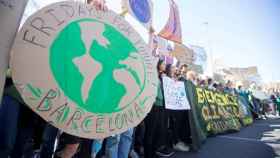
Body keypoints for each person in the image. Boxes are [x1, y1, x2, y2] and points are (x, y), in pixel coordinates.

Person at [144, 59, 174, 158]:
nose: (165, 65)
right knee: (150, 132)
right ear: (158, 65)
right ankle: (147, 154)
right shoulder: (153, 76)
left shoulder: (161, 77)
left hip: (160, 107)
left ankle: (153, 152)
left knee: (157, 131)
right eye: (163, 64)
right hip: (153, 107)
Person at [165, 64, 190, 152]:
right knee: (173, 125)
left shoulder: (177, 79)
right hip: (169, 107)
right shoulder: (166, 78)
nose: (176, 70)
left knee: (177, 124)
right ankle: (174, 143)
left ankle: (177, 141)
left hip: (177, 107)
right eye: (173, 68)